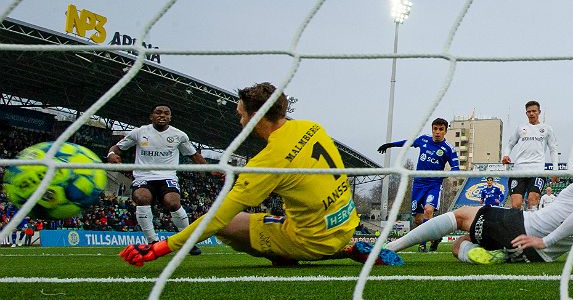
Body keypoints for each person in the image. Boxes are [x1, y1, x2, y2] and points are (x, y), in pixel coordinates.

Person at [120, 82, 402, 268]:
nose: (239, 119)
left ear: (255, 117)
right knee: (275, 217)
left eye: (241, 114)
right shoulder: (312, 126)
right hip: (347, 222)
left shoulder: (267, 162)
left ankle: (311, 252)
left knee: (229, 226)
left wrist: (160, 248)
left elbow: (219, 216)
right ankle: (348, 246)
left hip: (314, 240)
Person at [385, 136, 573, 264]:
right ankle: (493, 256)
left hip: (527, 230)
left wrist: (543, 239)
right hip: (542, 257)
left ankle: (389, 248)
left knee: (460, 215)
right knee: (458, 245)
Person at [108, 105, 211, 256]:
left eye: (166, 113)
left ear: (170, 118)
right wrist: (111, 154)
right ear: (151, 116)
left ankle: (187, 241)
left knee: (173, 202)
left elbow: (194, 155)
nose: (162, 115)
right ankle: (152, 242)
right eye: (158, 112)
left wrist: (210, 170)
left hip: (167, 177)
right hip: (144, 177)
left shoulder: (179, 135)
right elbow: (116, 148)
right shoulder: (139, 132)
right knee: (142, 197)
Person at [377, 118, 460, 252]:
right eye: (435, 129)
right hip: (418, 183)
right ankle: (435, 237)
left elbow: (456, 168)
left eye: (440, 129)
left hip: (434, 184)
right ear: (432, 129)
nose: (437, 132)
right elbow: (408, 143)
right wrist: (390, 145)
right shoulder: (423, 140)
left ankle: (422, 244)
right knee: (417, 219)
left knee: (428, 210)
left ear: (445, 131)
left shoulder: (448, 149)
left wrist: (443, 175)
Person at [502, 100, 559, 211]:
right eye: (529, 111)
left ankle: (532, 227)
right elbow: (510, 144)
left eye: (534, 111)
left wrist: (555, 169)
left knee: (533, 200)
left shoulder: (547, 129)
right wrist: (506, 155)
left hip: (537, 170)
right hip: (519, 170)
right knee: (516, 205)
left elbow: (553, 149)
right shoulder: (520, 128)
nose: (531, 113)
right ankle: (516, 228)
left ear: (539, 112)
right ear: (526, 113)